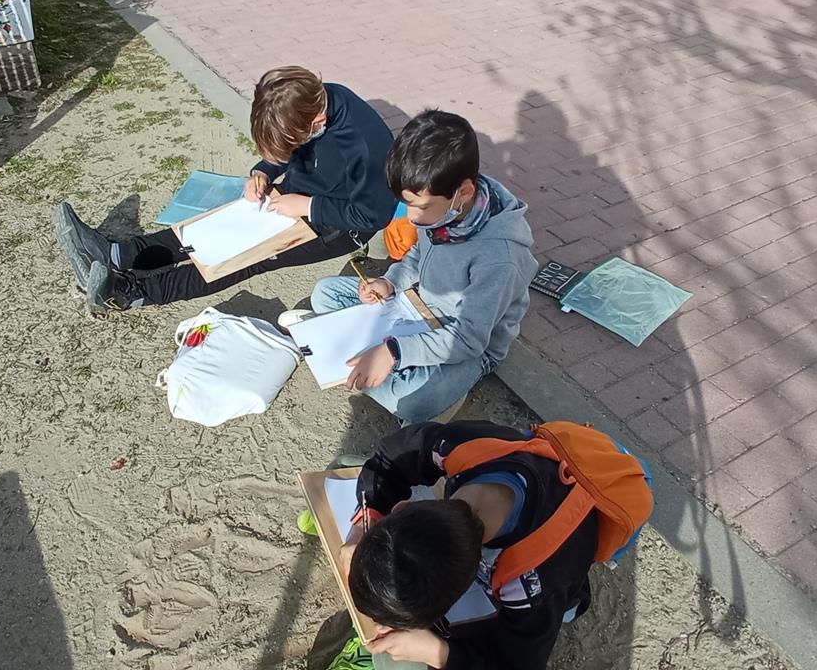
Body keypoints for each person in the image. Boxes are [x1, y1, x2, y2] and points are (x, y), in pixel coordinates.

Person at [53, 66, 397, 309]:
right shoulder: (309, 103)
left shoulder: (368, 146)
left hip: (336, 226)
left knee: (240, 257)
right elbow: (286, 146)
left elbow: (374, 215)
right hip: (295, 199)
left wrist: (307, 206)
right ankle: (118, 253)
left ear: (317, 121)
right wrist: (263, 171)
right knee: (213, 228)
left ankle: (128, 292)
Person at [283, 109, 538, 423]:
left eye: (420, 207)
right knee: (326, 292)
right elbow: (418, 255)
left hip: (463, 342)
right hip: (414, 307)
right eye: (407, 205)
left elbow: (469, 339)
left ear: (464, 192)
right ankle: (355, 349)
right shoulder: (444, 208)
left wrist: (395, 351)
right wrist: (390, 282)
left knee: (410, 402)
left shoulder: (499, 258)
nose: (412, 218)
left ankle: (346, 347)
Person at [336, 420, 601, 670]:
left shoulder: (535, 585)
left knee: (548, 614)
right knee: (348, 467)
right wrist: (365, 522)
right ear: (402, 507)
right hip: (537, 483)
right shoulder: (457, 447)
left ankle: (570, 606)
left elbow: (518, 663)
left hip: (564, 557)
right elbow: (391, 456)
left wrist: (438, 652)